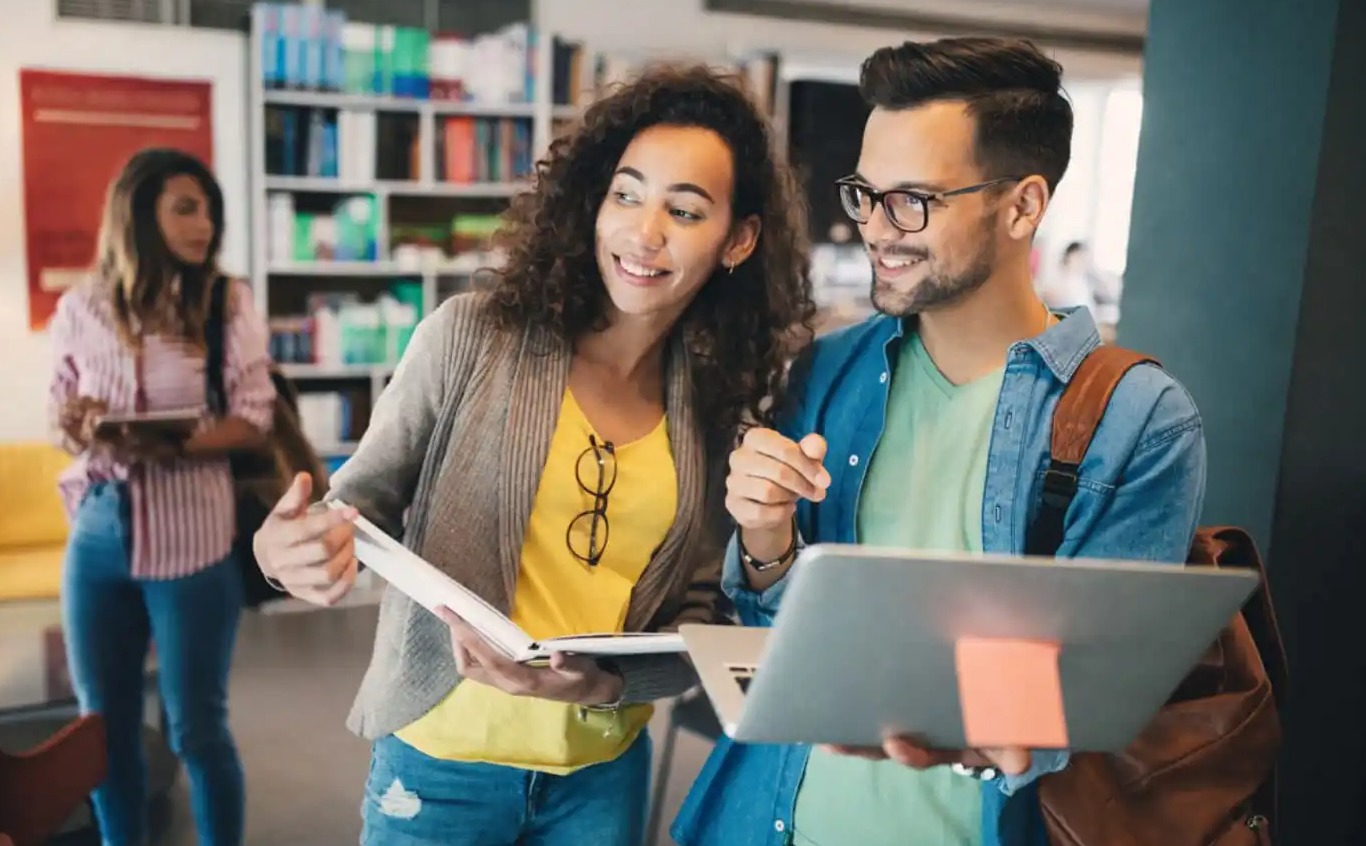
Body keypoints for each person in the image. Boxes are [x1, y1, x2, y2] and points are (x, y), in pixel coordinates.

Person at [251, 64, 816, 846]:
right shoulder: (471, 337)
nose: (643, 231)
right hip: (439, 766)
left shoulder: (721, 411)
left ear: (737, 240)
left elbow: (703, 623)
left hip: (599, 777)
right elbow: (356, 506)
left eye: (684, 210)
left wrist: (609, 681)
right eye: (626, 194)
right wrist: (285, 552)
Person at [672, 37, 1206, 846]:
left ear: (1022, 206)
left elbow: (1092, 699)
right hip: (767, 825)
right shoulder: (825, 373)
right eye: (865, 194)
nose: (874, 231)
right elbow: (767, 629)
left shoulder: (1138, 420)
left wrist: (964, 724)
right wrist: (766, 538)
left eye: (912, 200)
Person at [48, 148, 275, 846]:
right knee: (102, 727)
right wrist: (82, 421)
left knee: (196, 726)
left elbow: (254, 414)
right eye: (185, 206)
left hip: (195, 536)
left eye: (209, 208)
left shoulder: (224, 301)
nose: (204, 222)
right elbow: (62, 415)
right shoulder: (79, 306)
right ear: (139, 213)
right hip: (97, 532)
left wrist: (171, 443)